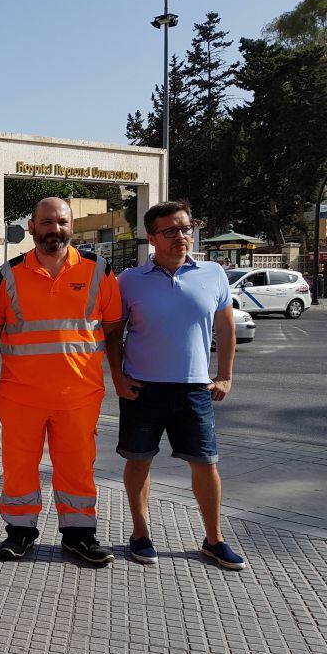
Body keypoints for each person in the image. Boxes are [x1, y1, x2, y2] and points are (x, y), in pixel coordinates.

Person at [110, 200, 244, 570]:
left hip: (194, 390)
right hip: (143, 389)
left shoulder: (213, 274)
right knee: (139, 462)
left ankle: (213, 540)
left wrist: (225, 375)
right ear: (152, 238)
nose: (181, 236)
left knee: (206, 465)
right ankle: (140, 533)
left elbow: (225, 327)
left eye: (186, 228)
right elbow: (114, 333)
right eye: (170, 231)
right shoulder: (129, 281)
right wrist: (118, 377)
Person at [0, 197, 124, 565]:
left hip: (79, 395)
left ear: (72, 225)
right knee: (18, 467)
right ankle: (19, 533)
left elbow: (112, 324)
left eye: (62, 222)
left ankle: (79, 536)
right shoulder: (7, 274)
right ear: (32, 227)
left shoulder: (99, 271)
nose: (55, 229)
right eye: (47, 222)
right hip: (21, 396)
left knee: (77, 467)